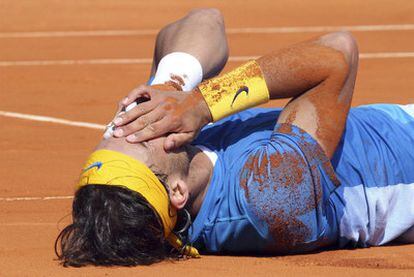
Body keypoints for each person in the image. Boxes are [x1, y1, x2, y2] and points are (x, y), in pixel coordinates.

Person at [55, 8, 414, 267]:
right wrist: (201, 102)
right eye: (139, 139)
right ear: (177, 191)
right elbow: (336, 54)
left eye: (117, 129)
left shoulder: (161, 145)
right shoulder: (268, 193)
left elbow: (205, 20)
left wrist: (170, 85)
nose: (131, 127)